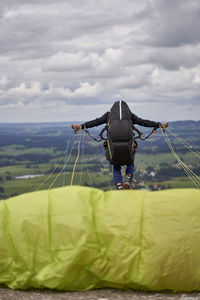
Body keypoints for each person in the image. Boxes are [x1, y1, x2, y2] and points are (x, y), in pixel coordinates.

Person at [72, 101, 168, 190]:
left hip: (113, 145)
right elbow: (143, 122)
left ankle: (119, 185)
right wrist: (158, 125)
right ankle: (128, 177)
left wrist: (81, 126)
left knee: (116, 165)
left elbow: (95, 122)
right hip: (128, 144)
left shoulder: (108, 115)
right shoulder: (130, 115)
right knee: (130, 162)